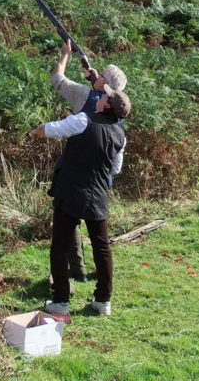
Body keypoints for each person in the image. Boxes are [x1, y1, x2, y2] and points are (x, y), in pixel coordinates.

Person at [30, 85, 131, 317]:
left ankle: (61, 301)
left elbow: (55, 129)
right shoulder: (120, 135)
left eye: (105, 96)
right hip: (98, 195)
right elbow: (115, 169)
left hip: (71, 192)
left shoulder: (84, 119)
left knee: (59, 248)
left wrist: (35, 131)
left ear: (106, 106)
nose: (101, 96)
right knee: (102, 248)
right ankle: (103, 300)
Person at [50, 40, 127, 282]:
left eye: (102, 74)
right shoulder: (119, 111)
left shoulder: (84, 96)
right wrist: (96, 80)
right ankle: (100, 286)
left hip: (73, 174)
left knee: (66, 229)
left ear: (105, 85)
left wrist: (65, 54)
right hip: (100, 181)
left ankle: (76, 273)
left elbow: (57, 80)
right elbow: (115, 166)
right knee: (99, 239)